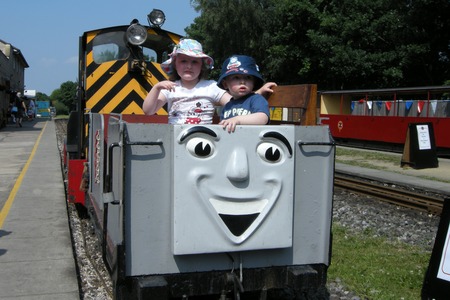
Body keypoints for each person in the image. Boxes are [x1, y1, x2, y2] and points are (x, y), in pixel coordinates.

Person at [142, 39, 276, 124]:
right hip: (175, 137)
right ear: (175, 65)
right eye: (183, 61)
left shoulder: (210, 86)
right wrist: (157, 88)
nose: (189, 66)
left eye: (194, 62)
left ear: (202, 66)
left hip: (204, 138)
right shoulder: (170, 88)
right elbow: (148, 111)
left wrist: (257, 93)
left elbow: (236, 102)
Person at [217, 55, 270, 133]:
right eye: (236, 77)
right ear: (225, 84)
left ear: (254, 82)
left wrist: (237, 120)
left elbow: (263, 118)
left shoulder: (256, 99)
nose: (243, 81)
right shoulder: (227, 106)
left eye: (248, 77)